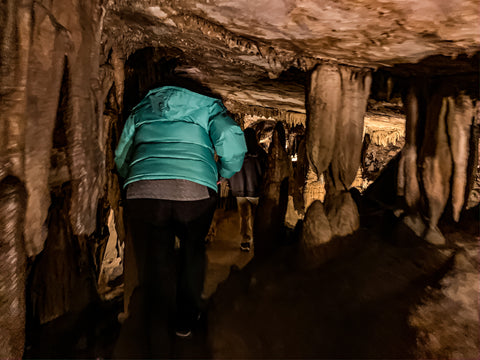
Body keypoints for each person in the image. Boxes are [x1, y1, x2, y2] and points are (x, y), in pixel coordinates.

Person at [114, 85, 246, 352]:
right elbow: (230, 136)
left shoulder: (142, 109)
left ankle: (157, 324)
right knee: (192, 250)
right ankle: (185, 321)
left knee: (156, 257)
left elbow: (122, 152)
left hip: (144, 189)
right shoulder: (208, 107)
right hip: (193, 188)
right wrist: (225, 171)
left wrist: (134, 176)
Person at [229, 127, 267, 252]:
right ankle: (258, 239)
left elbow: (229, 168)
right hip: (255, 190)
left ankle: (245, 241)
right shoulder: (260, 153)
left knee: (244, 216)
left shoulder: (236, 153)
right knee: (257, 216)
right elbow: (267, 171)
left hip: (239, 190)